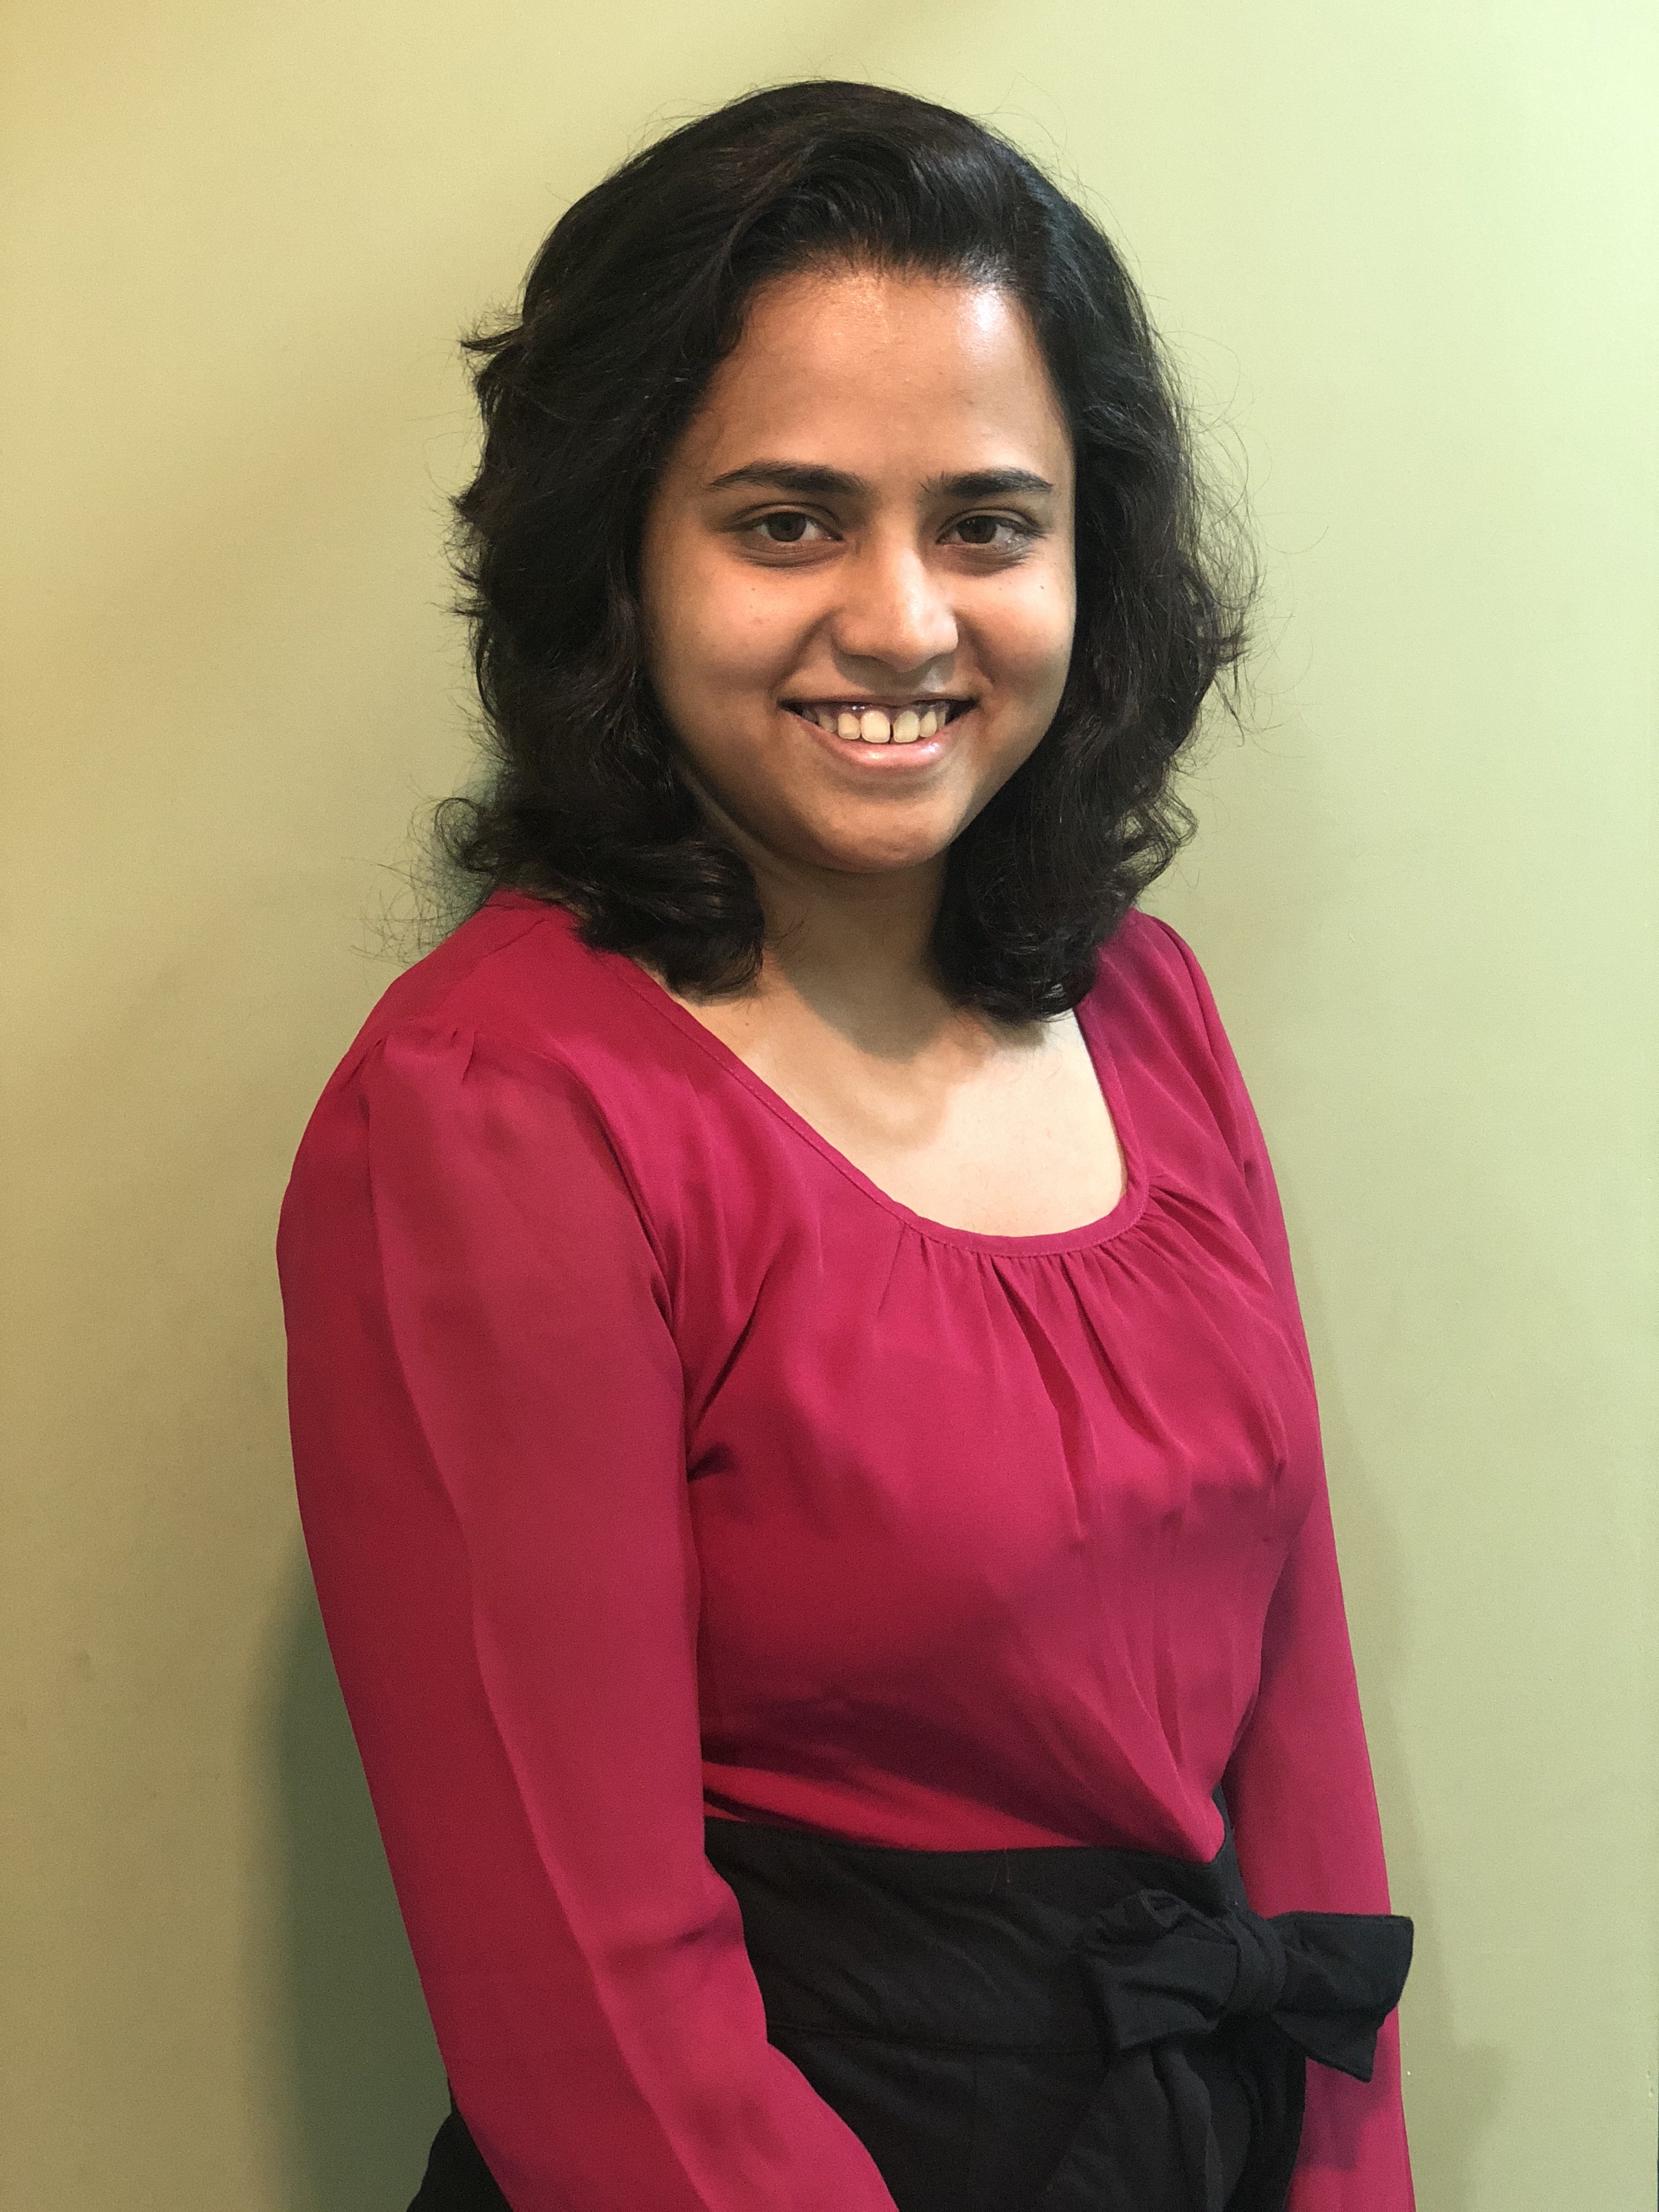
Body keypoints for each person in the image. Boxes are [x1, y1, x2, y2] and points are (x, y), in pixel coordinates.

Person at [276, 80, 1414, 2212]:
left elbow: (1302, 1764)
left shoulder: (1152, 1015)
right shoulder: (495, 1115)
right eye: (787, 522)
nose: (902, 621)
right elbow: (584, 2020)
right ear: (619, 557)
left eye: (986, 523)